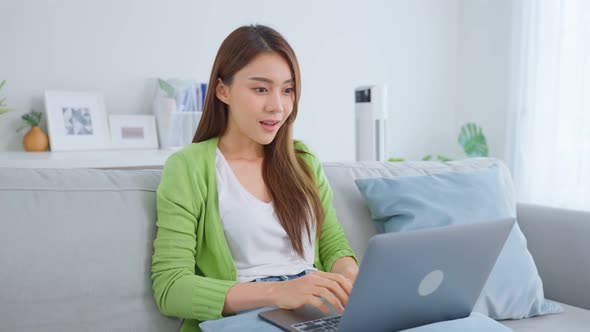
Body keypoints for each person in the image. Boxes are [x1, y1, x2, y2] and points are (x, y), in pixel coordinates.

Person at [151, 24, 359, 332]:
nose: (277, 106)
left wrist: (349, 281)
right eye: (261, 89)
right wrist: (280, 293)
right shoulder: (189, 167)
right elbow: (170, 287)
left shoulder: (304, 162)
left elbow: (333, 246)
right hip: (250, 316)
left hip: (315, 310)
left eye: (287, 90)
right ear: (223, 90)